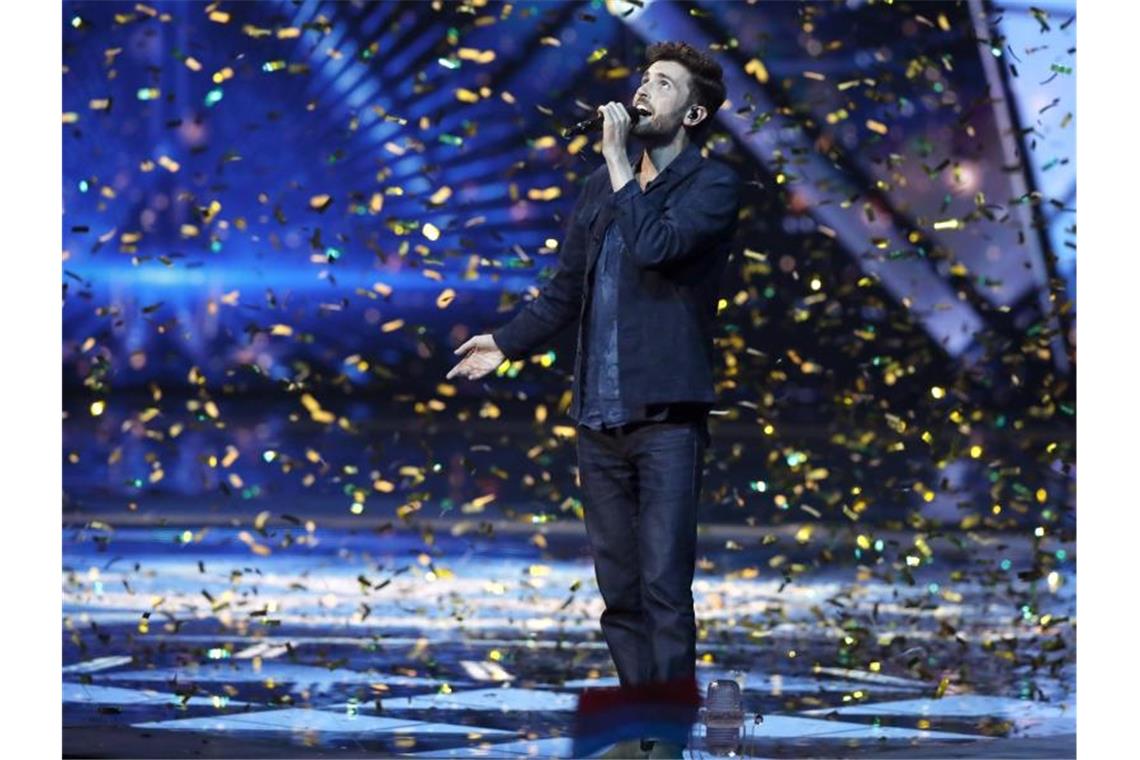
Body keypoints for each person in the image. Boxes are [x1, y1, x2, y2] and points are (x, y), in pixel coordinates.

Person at [447, 40, 741, 758]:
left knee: (667, 588)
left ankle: (666, 740)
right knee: (621, 593)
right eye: (644, 79)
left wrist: (618, 168)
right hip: (598, 418)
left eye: (663, 84)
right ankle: (636, 729)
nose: (643, 91)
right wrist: (508, 343)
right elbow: (566, 290)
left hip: (667, 418)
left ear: (694, 112)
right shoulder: (596, 189)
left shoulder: (713, 185)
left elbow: (657, 247)